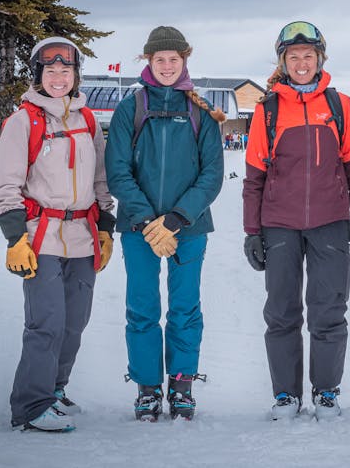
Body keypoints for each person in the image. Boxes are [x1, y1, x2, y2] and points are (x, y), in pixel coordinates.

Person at [242, 21, 350, 421]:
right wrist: (252, 231)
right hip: (279, 223)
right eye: (294, 56)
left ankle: (326, 392)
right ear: (283, 61)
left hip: (330, 222)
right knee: (281, 311)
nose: (302, 63)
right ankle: (286, 395)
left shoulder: (339, 105)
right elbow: (254, 178)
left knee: (329, 309)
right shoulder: (267, 109)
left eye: (309, 56)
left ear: (320, 59)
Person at [0, 36, 116, 432]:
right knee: (46, 322)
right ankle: (30, 405)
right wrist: (15, 238)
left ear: (76, 75)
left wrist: (105, 228)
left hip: (82, 234)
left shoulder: (88, 120)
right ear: (38, 75)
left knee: (74, 321)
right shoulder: (23, 121)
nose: (59, 77)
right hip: (40, 236)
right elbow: (5, 185)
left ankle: (55, 390)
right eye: (51, 70)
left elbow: (100, 179)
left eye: (66, 70)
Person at [104, 26, 224, 422]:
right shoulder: (130, 107)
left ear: (184, 60)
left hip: (187, 228)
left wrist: (175, 219)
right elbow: (118, 170)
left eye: (174, 59)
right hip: (140, 230)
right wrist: (147, 219)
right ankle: (147, 389)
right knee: (141, 308)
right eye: (160, 59)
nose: (168, 65)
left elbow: (212, 174)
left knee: (185, 308)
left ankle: (182, 385)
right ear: (149, 62)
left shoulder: (200, 113)